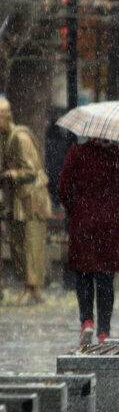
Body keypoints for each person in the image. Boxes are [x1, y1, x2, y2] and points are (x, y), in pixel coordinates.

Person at [58, 139, 119, 344]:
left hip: (83, 222)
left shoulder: (76, 152)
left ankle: (87, 321)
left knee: (83, 273)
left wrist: (75, 208)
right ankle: (104, 331)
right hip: (109, 225)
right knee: (105, 279)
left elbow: (62, 188)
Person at [0, 96, 52, 303]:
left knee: (32, 244)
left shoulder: (20, 138)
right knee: (18, 245)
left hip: (32, 199)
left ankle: (34, 288)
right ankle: (28, 285)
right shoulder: (5, 139)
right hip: (19, 199)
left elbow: (32, 170)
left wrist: (13, 174)